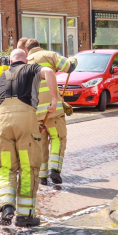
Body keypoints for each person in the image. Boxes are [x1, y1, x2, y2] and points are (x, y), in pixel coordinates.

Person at [0, 48, 57, 227]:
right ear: (25, 60)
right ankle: (25, 215)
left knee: (6, 167)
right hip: (25, 121)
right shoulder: (32, 69)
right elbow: (50, 72)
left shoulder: (3, 75)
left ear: (11, 61)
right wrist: (53, 99)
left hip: (2, 123)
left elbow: (0, 103)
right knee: (28, 167)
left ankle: (6, 205)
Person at [24, 39, 77, 186]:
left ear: (27, 50)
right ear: (39, 46)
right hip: (52, 110)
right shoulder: (49, 55)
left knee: (40, 143)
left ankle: (42, 177)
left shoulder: (24, 62)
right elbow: (69, 67)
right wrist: (73, 59)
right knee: (57, 138)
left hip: (34, 112)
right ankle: (54, 170)